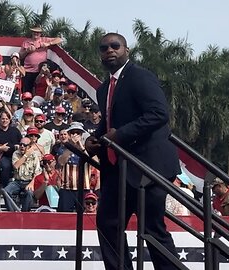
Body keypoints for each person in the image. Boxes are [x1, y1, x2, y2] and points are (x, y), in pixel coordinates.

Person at [85, 33, 181, 269]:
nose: (109, 50)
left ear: (126, 50)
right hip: (120, 167)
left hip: (149, 165)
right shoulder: (104, 87)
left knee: (151, 228)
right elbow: (108, 123)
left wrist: (120, 134)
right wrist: (94, 139)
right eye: (104, 47)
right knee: (108, 223)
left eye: (115, 46)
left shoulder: (140, 77)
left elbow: (159, 114)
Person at [56, 122, 91, 212]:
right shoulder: (63, 149)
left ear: (81, 134)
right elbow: (61, 162)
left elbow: (92, 162)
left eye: (78, 133)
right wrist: (71, 147)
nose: (75, 135)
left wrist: (81, 146)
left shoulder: (87, 148)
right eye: (72, 133)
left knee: (85, 215)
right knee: (64, 216)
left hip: (84, 188)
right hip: (67, 188)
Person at [19, 26, 62, 94]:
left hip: (40, 71)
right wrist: (27, 51)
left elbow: (59, 39)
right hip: (28, 70)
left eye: (37, 32)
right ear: (32, 32)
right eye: (34, 32)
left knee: (39, 90)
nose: (36, 33)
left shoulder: (44, 40)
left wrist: (48, 43)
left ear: (40, 34)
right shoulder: (26, 42)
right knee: (27, 90)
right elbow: (20, 56)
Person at [3, 137, 41, 212]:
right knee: (6, 191)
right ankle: (12, 212)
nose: (22, 146)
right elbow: (16, 166)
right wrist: (26, 155)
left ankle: (25, 213)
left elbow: (37, 172)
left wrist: (31, 183)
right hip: (17, 181)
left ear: (29, 146)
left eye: (24, 145)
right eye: (21, 144)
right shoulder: (16, 153)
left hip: (29, 181)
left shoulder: (34, 156)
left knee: (29, 193)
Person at [0, 111, 22, 187]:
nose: (5, 121)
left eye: (7, 119)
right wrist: (0, 148)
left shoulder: (15, 131)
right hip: (3, 156)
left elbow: (22, 142)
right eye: (3, 119)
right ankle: (5, 187)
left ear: (9, 120)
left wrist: (18, 146)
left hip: (17, 155)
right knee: (5, 166)